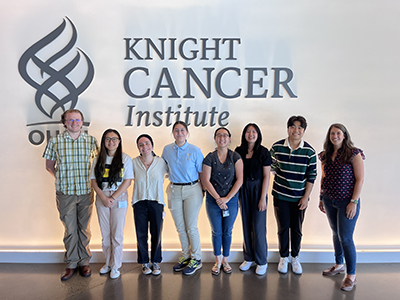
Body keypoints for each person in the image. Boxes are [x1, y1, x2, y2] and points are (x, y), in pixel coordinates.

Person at [43, 109, 99, 281]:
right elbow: (49, 166)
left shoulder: (91, 141)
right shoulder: (56, 141)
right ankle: (71, 263)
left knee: (84, 228)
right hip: (65, 192)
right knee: (69, 229)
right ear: (65, 123)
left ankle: (84, 262)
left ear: (82, 122)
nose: (74, 123)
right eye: (70, 120)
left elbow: (97, 165)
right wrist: (63, 179)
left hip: (85, 192)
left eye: (77, 119)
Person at [318, 123, 365, 292]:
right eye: (332, 133)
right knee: (336, 234)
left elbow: (360, 179)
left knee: (346, 237)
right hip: (330, 200)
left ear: (344, 135)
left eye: (338, 133)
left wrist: (354, 201)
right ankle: (339, 265)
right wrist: (321, 198)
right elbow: (323, 178)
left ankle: (351, 275)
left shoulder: (353, 153)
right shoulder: (325, 155)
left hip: (347, 201)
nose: (335, 136)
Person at [270, 116, 317, 275]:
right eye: (293, 126)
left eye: (300, 128)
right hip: (280, 195)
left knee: (296, 229)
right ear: (288, 128)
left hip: (299, 198)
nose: (296, 130)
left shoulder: (309, 152)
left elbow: (311, 176)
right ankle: (284, 257)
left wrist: (306, 197)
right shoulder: (276, 147)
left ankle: (295, 257)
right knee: (283, 228)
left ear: (304, 130)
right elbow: (272, 168)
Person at [161, 121, 204, 276]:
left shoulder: (195, 150)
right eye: (176, 130)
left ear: (187, 133)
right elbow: (163, 169)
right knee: (180, 227)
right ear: (173, 133)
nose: (179, 133)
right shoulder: (167, 150)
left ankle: (196, 258)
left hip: (193, 189)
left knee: (191, 226)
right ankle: (186, 256)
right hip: (174, 189)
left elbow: (201, 173)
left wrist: (203, 191)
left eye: (182, 130)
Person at [90, 129, 133, 279]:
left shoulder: (125, 159)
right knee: (105, 233)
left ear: (119, 141)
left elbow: (127, 181)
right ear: (103, 141)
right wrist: (102, 197)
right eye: (108, 139)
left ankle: (116, 266)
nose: (111, 142)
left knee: (117, 234)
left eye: (115, 139)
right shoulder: (97, 159)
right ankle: (108, 263)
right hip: (102, 198)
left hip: (118, 198)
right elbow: (94, 180)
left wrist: (113, 197)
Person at [202, 127, 243, 275]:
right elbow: (206, 180)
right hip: (213, 201)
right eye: (219, 135)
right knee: (216, 231)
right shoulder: (209, 157)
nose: (222, 138)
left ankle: (226, 260)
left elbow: (240, 180)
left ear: (229, 138)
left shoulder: (236, 157)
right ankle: (217, 260)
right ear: (215, 139)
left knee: (227, 231)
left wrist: (227, 198)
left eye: (225, 135)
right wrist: (219, 199)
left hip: (231, 201)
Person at [235, 123, 271, 275]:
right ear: (244, 134)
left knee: (258, 227)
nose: (251, 134)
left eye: (254, 131)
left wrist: (262, 197)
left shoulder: (263, 152)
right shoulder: (238, 151)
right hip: (243, 189)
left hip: (258, 189)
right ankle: (248, 257)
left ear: (258, 134)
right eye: (248, 131)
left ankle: (261, 260)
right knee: (246, 224)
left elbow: (266, 176)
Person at [132, 134, 167, 276]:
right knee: (141, 234)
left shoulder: (162, 162)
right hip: (139, 201)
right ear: (138, 148)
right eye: (141, 145)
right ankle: (144, 262)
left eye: (147, 143)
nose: (144, 147)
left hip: (157, 201)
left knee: (156, 233)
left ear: (152, 145)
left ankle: (156, 261)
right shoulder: (133, 162)